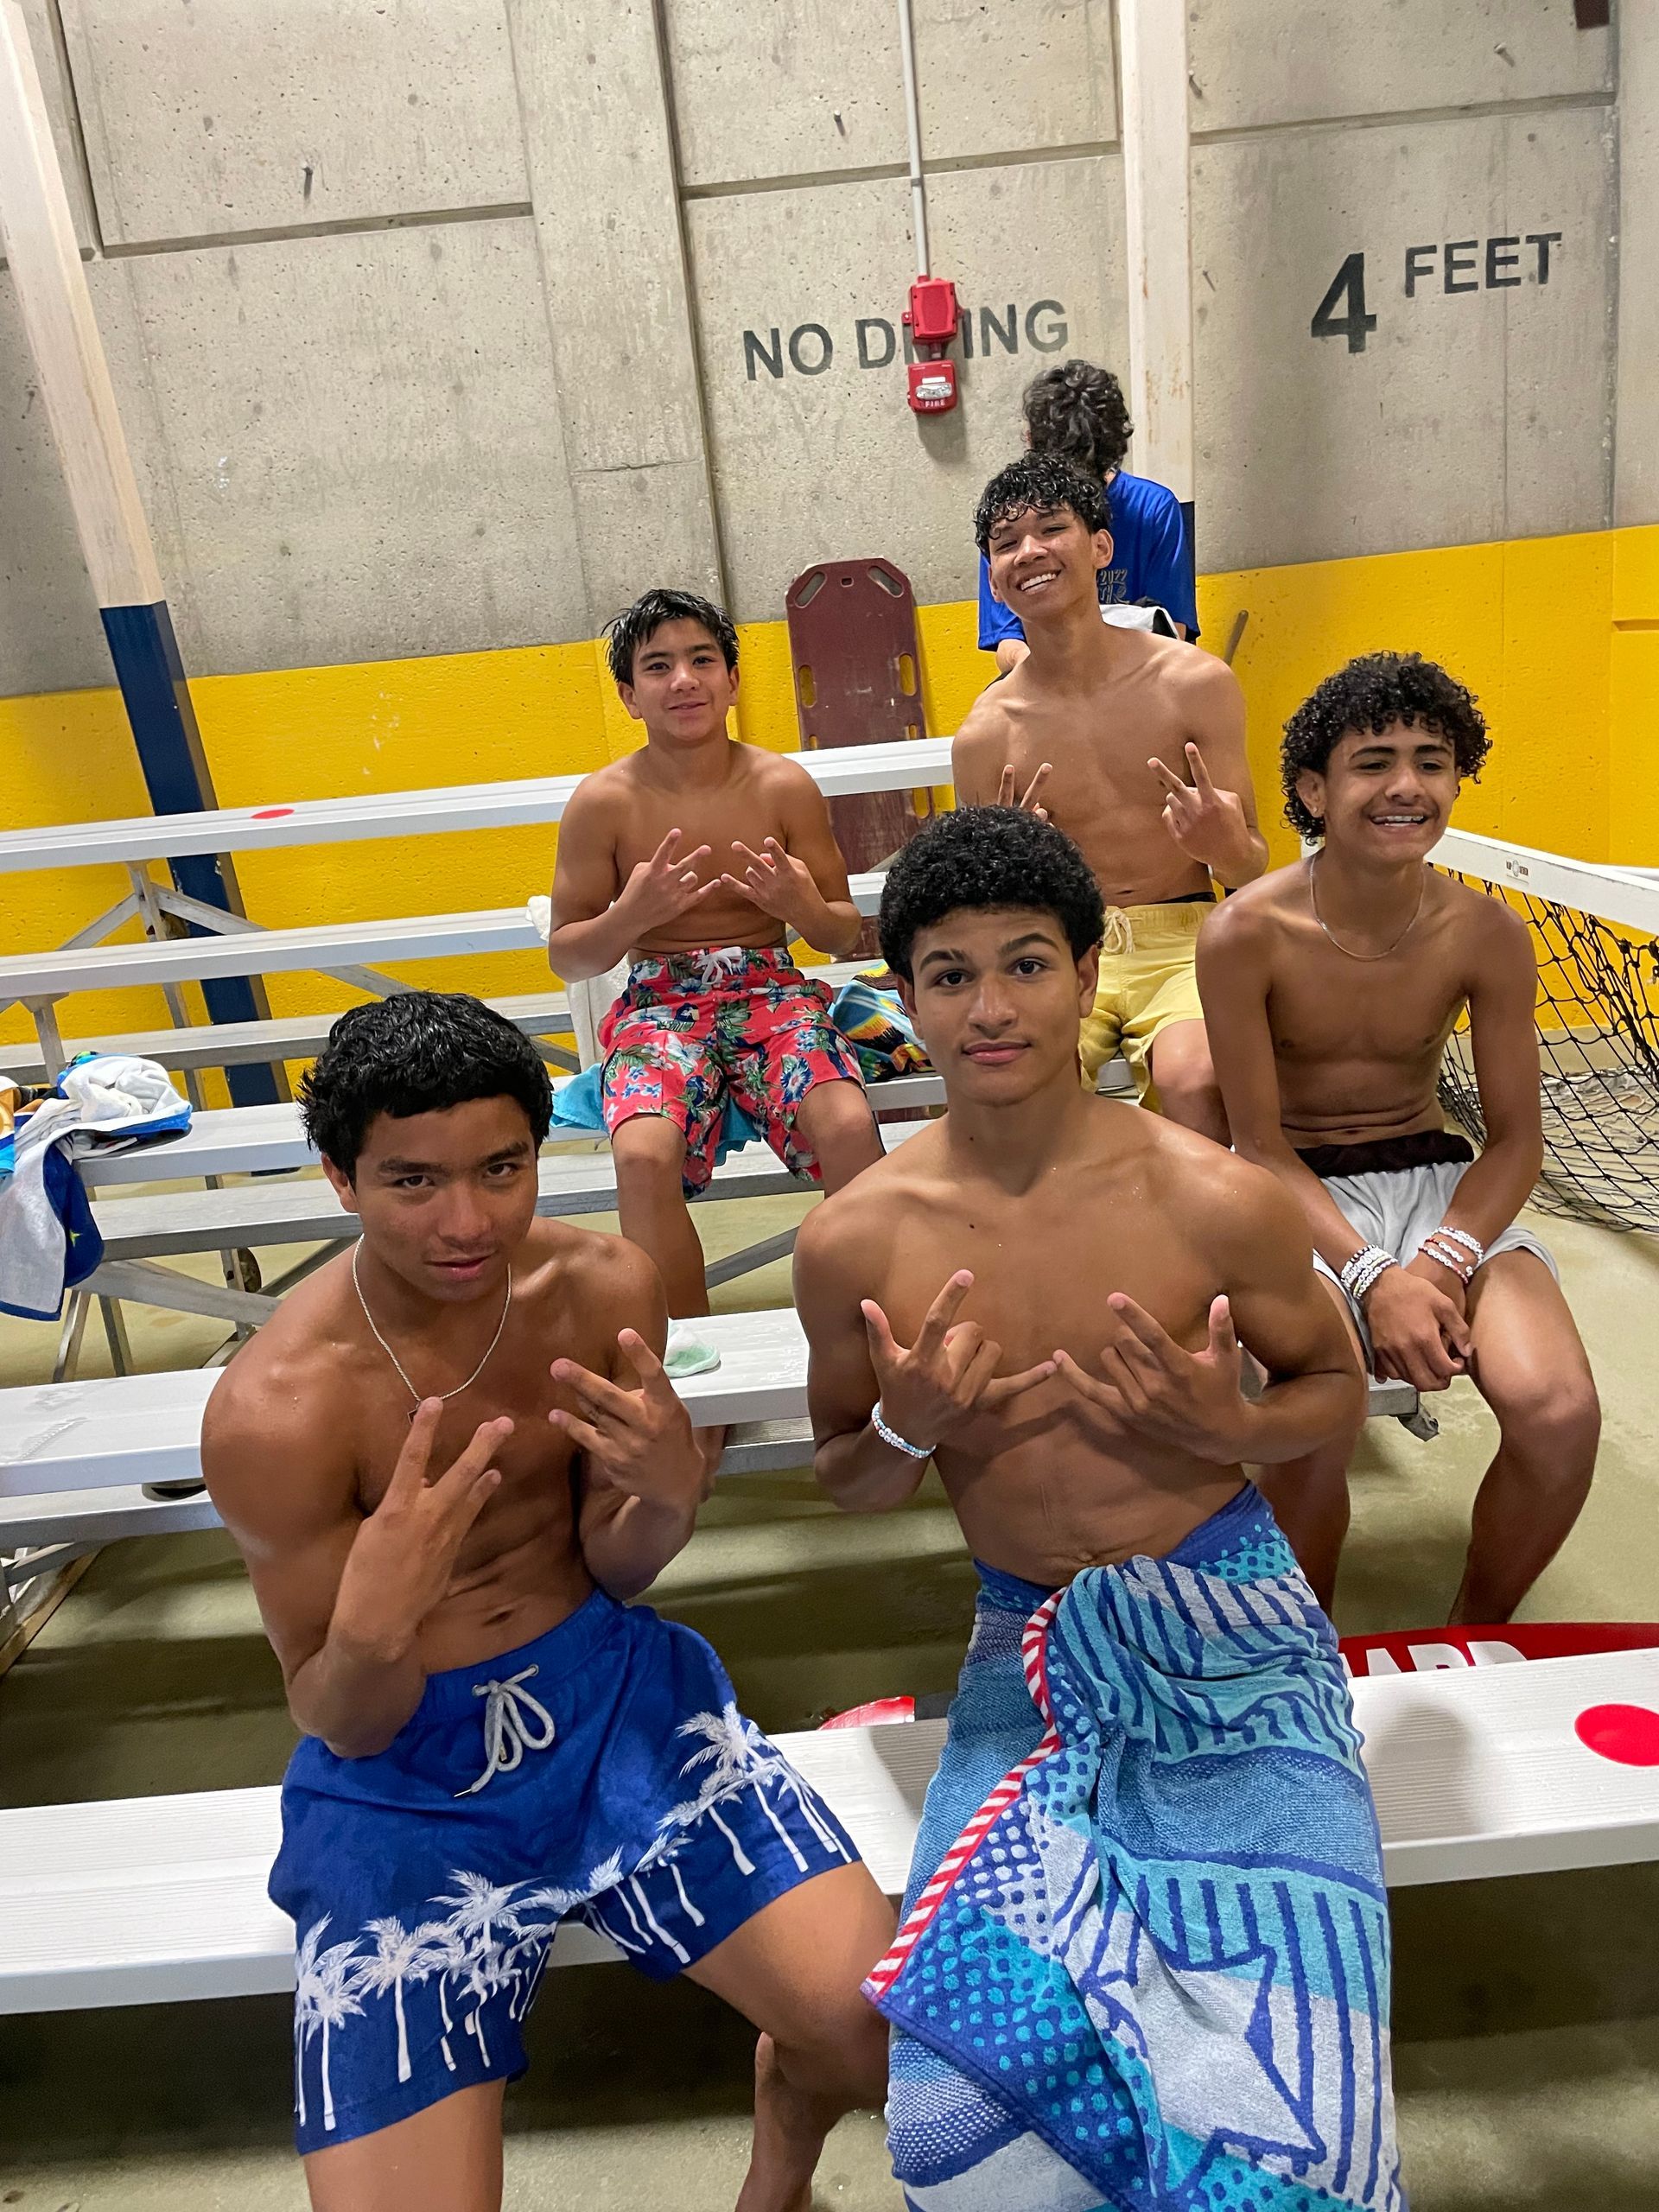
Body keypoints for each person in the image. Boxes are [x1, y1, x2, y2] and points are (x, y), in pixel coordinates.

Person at [794, 808, 1399, 2212]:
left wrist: (1233, 1430)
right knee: (972, 2110)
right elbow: (847, 1475)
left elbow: (1338, 1386)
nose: (991, 1006)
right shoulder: (859, 1239)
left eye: (1024, 964)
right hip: (1027, 1658)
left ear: (1088, 968)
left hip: (1237, 1643)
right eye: (950, 974)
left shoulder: (1213, 1199)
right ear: (904, 999)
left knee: (1313, 2109)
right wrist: (907, 1426)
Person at [201, 992, 893, 2212]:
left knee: (869, 2033)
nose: (468, 1222)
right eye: (412, 1181)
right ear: (338, 1179)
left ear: (540, 1149)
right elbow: (342, 1717)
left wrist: (669, 1502)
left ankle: (781, 2153)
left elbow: (611, 1568)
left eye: (502, 1168)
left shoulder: (603, 1286)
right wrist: (376, 1621)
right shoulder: (280, 1409)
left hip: (610, 1694)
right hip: (403, 1781)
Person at [1198, 652, 1599, 1618]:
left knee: (1560, 1413)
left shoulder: (1487, 933)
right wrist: (1375, 1275)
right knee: (1310, 1429)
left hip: (1437, 1186)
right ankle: (1308, 1663)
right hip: (1296, 1197)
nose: (1407, 785)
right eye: (1374, 760)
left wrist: (1446, 1258)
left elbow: (1514, 1141)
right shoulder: (1244, 934)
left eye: (1433, 759)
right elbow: (1254, 1143)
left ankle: (1478, 1632)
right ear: (1313, 789)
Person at [547, 588, 883, 1340]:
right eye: (658, 666)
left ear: (733, 680)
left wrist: (797, 906)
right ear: (631, 697)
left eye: (702, 659)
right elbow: (568, 955)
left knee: (850, 1126)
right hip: (658, 1006)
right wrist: (633, 917)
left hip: (774, 993)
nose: (684, 680)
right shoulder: (602, 803)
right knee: (639, 1154)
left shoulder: (781, 785)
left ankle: (871, 1331)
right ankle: (686, 1361)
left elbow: (838, 931)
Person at [953, 454, 1266, 1139]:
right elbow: (977, 917)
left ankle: (1198, 1244)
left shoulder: (1194, 684)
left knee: (1198, 1081)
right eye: (1006, 544)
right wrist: (1012, 875)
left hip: (1182, 941)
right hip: (1053, 952)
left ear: (1100, 546)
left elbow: (1252, 870)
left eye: (1051, 530)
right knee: (1027, 1093)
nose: (1029, 552)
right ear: (994, 580)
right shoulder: (984, 736)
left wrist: (1224, 848)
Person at [977, 358, 1198, 672]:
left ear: (1102, 546)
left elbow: (1172, 631)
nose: (1030, 550)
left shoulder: (1153, 508)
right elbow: (1007, 641)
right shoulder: (1009, 522)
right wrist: (1052, 669)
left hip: (1141, 678)